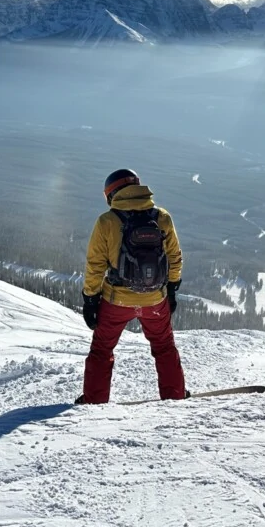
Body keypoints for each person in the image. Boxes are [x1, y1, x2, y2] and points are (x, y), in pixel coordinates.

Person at [78, 168, 186, 404]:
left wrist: (90, 299)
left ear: (112, 193)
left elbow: (95, 264)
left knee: (101, 350)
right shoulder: (161, 217)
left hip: (116, 300)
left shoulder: (107, 221)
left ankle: (94, 402)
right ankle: (175, 396)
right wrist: (171, 290)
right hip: (155, 300)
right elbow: (174, 257)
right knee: (165, 347)